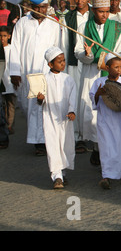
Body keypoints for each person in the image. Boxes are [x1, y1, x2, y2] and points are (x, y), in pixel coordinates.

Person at [74, 0, 121, 165]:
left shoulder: (117, 28)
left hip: (110, 75)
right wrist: (88, 55)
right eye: (100, 12)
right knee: (94, 114)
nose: (104, 15)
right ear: (93, 11)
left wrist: (109, 61)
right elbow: (78, 53)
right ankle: (98, 149)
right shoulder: (84, 27)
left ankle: (105, 152)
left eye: (106, 12)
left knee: (110, 112)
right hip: (91, 75)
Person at [9, 0, 62, 156]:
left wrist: (57, 70)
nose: (40, 10)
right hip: (27, 72)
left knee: (45, 106)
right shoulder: (22, 23)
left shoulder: (53, 24)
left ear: (47, 7)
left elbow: (57, 48)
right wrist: (14, 71)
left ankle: (43, 142)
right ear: (31, 7)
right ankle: (37, 139)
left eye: (43, 7)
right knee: (28, 106)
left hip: (47, 72)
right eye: (37, 7)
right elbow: (16, 47)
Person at [89, 53, 121, 189]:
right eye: (115, 67)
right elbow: (94, 101)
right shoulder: (99, 82)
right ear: (107, 68)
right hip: (106, 121)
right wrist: (99, 94)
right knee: (107, 147)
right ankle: (106, 175)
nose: (119, 70)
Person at [37, 47, 77, 189]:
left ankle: (62, 172)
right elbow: (39, 100)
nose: (63, 64)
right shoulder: (44, 79)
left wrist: (72, 111)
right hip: (50, 118)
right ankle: (57, 176)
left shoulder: (68, 79)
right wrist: (40, 99)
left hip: (65, 119)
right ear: (50, 64)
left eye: (64, 60)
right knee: (53, 145)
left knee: (65, 145)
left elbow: (73, 97)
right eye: (59, 61)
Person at [62, 0, 94, 154]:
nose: (80, 1)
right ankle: (77, 137)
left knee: (88, 99)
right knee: (74, 99)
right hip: (74, 64)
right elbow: (66, 43)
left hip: (91, 64)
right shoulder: (68, 18)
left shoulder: (95, 15)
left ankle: (90, 134)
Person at [0, 26, 16, 135]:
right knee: (2, 104)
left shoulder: (11, 49)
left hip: (10, 81)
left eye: (4, 36)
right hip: (1, 80)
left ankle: (9, 124)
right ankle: (4, 123)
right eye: (0, 36)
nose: (2, 38)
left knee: (10, 103)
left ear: (9, 36)